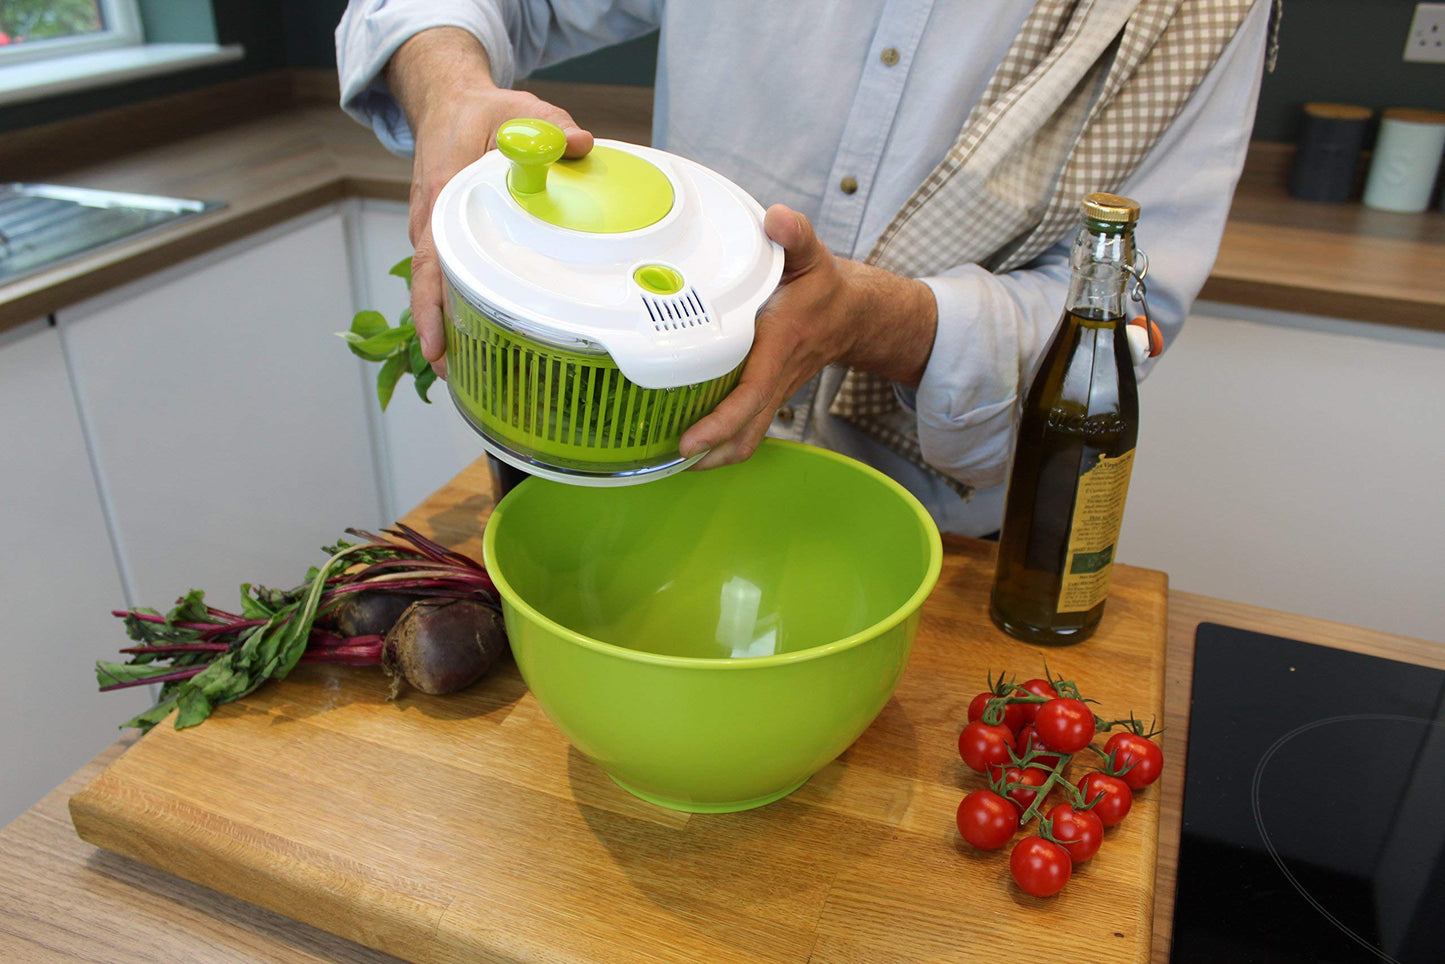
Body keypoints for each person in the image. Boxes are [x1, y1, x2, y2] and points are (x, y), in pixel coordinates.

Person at [336, 0, 1275, 536]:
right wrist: (449, 83)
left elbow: (1119, 322)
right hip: (635, 462)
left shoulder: (1187, 14)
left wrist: (871, 319)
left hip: (923, 534)